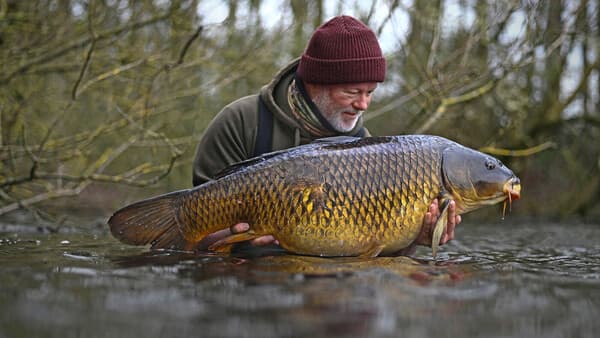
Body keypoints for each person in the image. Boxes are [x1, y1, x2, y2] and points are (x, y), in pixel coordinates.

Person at [192, 15, 460, 255]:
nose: (363, 105)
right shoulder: (242, 121)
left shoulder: (367, 148)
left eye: (370, 92)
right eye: (352, 92)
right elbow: (194, 233)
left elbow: (372, 247)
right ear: (315, 84)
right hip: (246, 293)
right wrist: (236, 240)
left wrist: (416, 239)